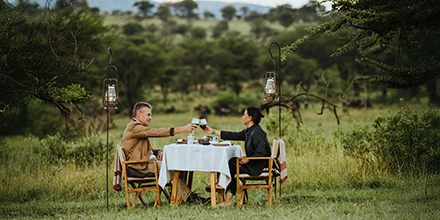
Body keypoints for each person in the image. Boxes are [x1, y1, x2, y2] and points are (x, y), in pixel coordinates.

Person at [122, 102, 208, 203]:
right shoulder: (134, 128)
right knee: (171, 166)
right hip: (139, 166)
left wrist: (158, 151)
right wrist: (183, 129)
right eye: (148, 114)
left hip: (144, 162)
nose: (151, 118)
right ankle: (191, 198)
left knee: (176, 164)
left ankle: (180, 197)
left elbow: (140, 148)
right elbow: (156, 132)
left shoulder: (137, 127)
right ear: (139, 114)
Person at [202, 106, 271, 206]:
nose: (242, 117)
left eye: (244, 115)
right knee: (232, 161)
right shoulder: (250, 130)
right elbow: (234, 135)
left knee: (233, 165)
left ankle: (227, 197)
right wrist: (213, 131)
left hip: (259, 165)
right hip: (255, 162)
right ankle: (223, 187)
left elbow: (262, 152)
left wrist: (248, 159)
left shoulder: (258, 132)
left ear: (250, 118)